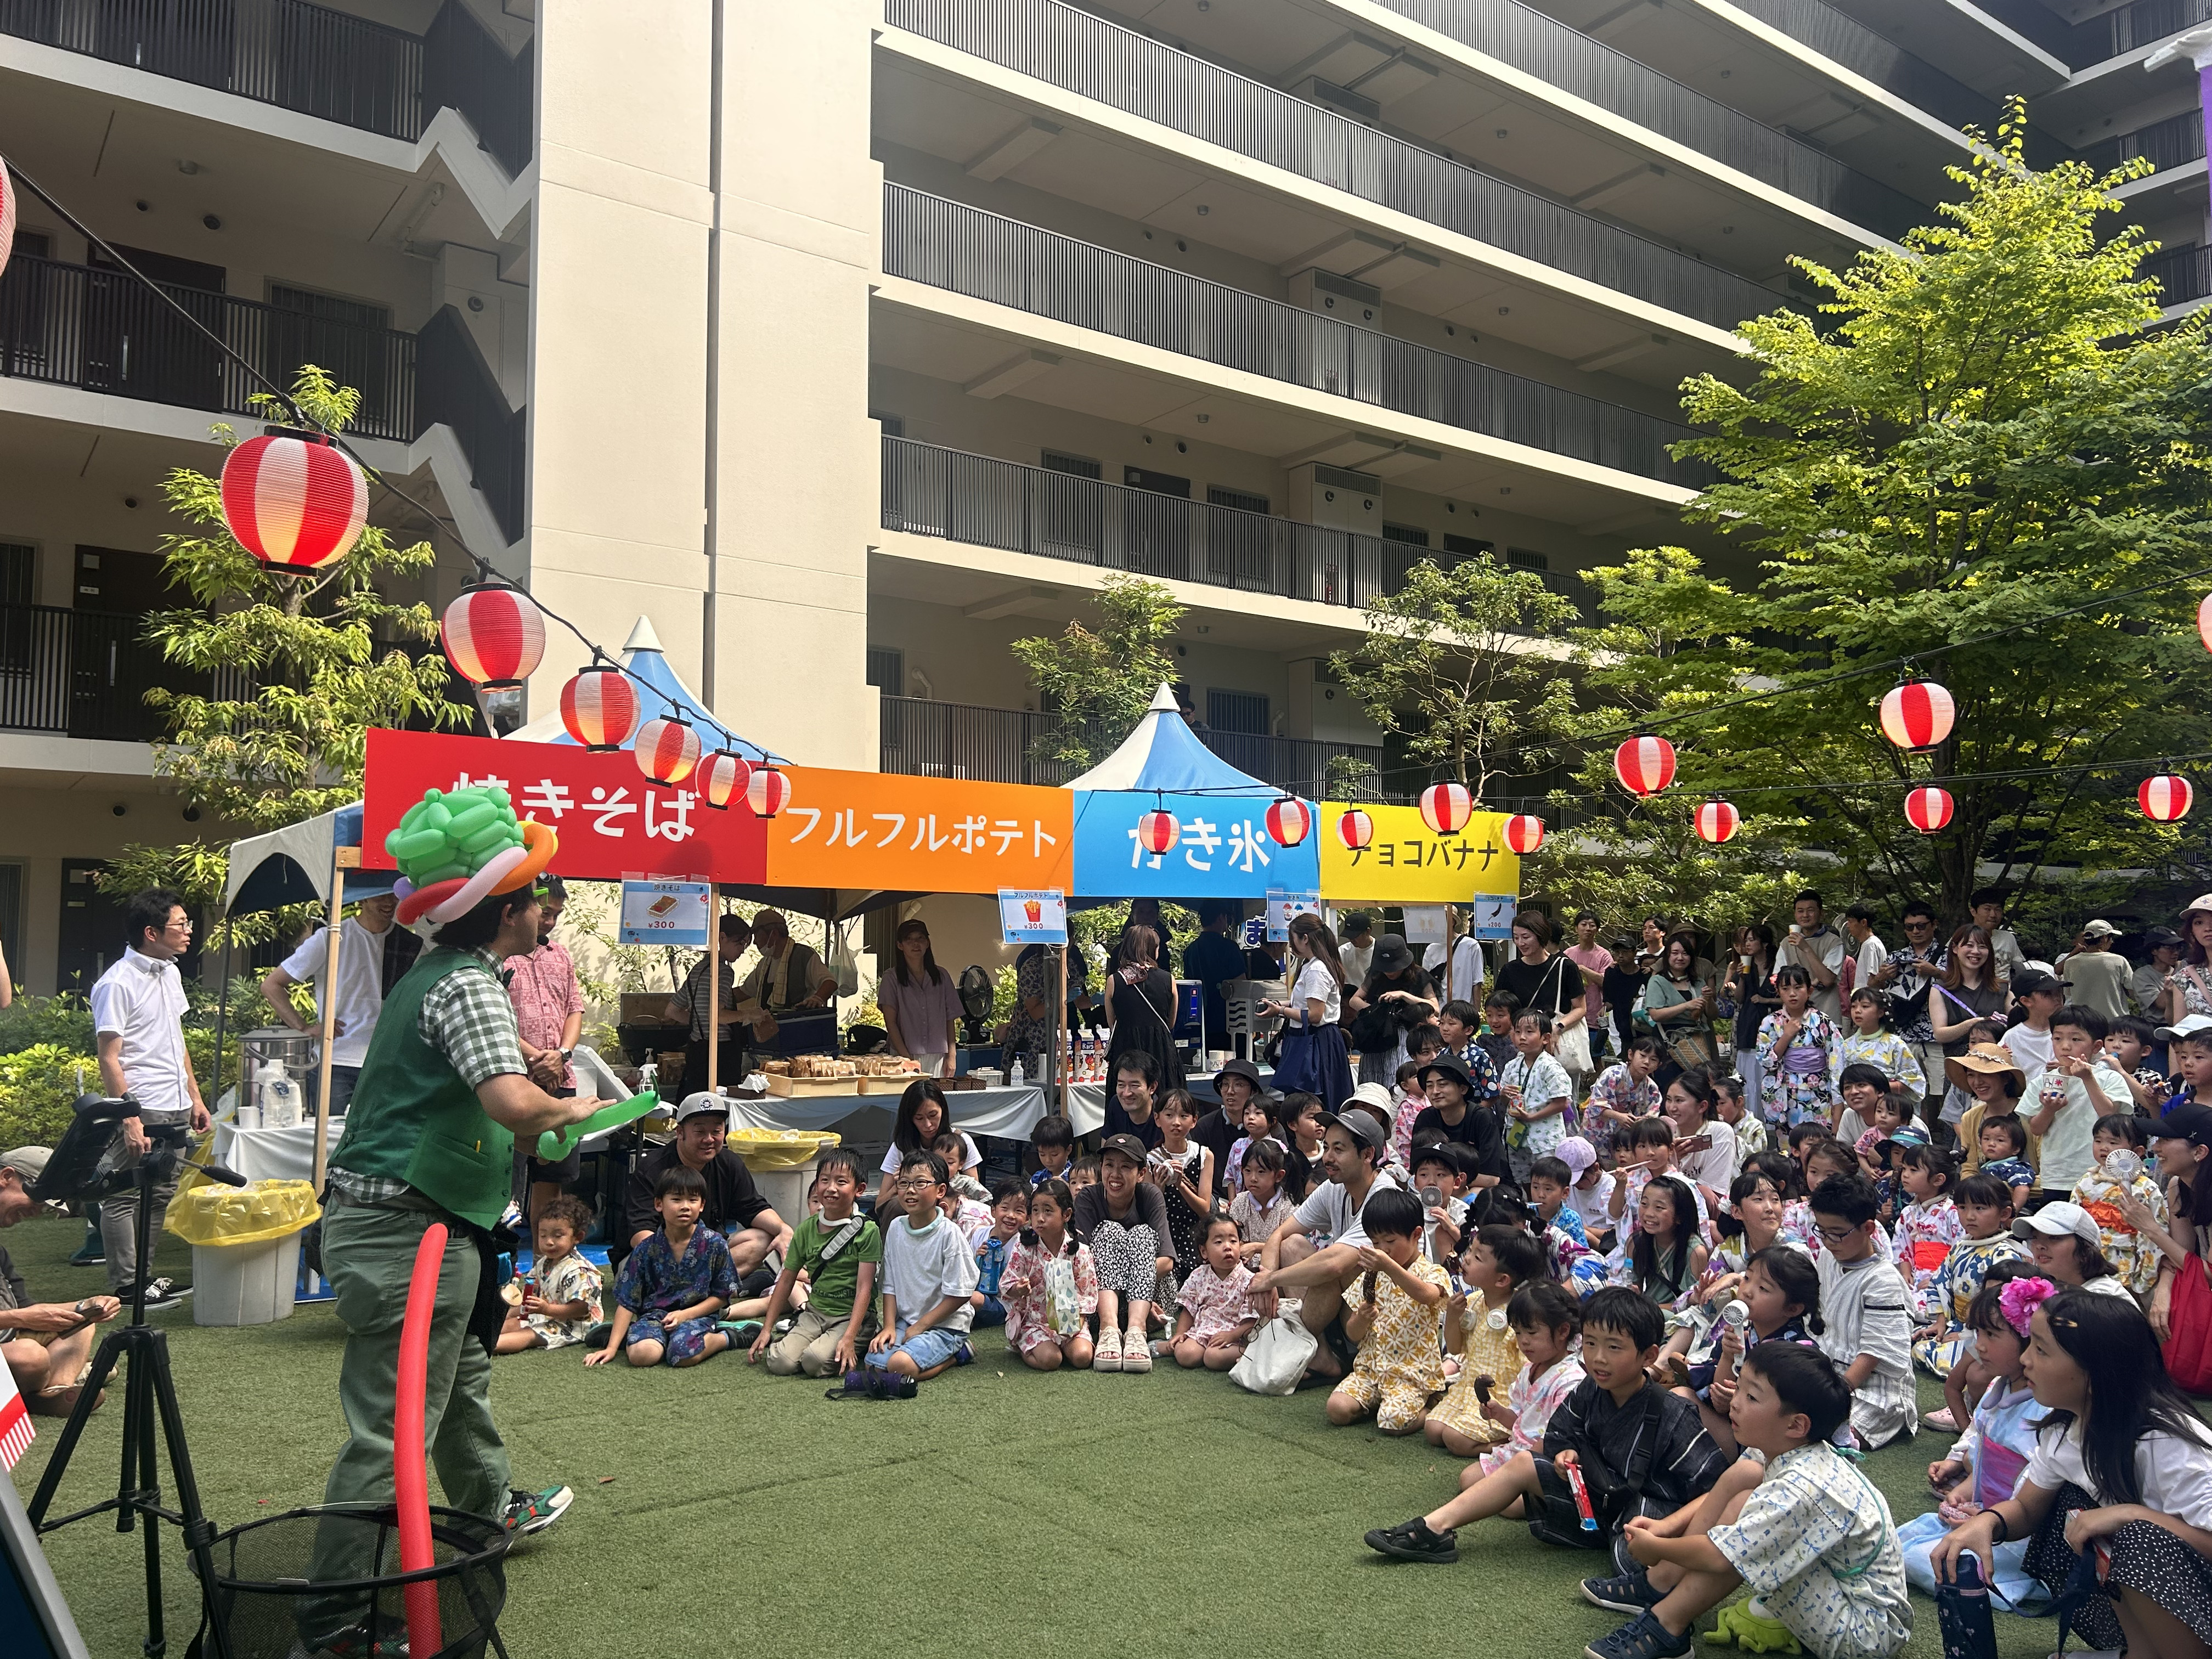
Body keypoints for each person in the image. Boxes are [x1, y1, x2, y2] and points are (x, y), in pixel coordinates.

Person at [314, 862, 600, 1577]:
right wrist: (574, 1108)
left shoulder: (440, 973)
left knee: (461, 1375)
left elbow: (476, 1108)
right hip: (405, 1230)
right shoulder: (470, 984)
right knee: (392, 1427)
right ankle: (339, 1610)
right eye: (534, 899)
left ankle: (489, 1506)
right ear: (506, 913)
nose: (545, 911)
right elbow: (513, 1106)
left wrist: (532, 1117)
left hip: (427, 1221)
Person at [1931, 1285, 2212, 1658]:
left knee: (2136, 1538)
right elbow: (2028, 1507)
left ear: (2096, 1372)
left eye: (2042, 1350)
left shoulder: (2166, 1442)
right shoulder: (2068, 1427)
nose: (2026, 1360)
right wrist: (1987, 1523)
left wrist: (2131, 1514)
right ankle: (2137, 1651)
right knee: (2071, 1509)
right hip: (2167, 1598)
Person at [1361, 1288, 1728, 1570]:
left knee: (1636, 1563)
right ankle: (1434, 1529)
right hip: (1594, 1505)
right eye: (1591, 1344)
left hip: (1645, 1518)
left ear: (1648, 1356)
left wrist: (1666, 1529)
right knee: (1523, 1462)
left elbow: (1717, 1490)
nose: (1598, 1358)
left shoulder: (1673, 1412)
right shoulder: (1591, 1389)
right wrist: (1566, 1454)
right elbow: (1560, 1436)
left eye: (1614, 1347)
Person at [1591, 1342, 1909, 1659]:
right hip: (1842, 1589)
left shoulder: (1800, 1490)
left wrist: (1658, 1548)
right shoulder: (1792, 1448)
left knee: (1749, 1541)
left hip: (1863, 1633)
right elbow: (1728, 1494)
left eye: (1752, 1397)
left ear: (1796, 1425)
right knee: (1745, 1482)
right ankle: (1662, 1581)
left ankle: (1667, 1626)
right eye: (1739, 1387)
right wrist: (1665, 1527)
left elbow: (1721, 1556)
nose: (1735, 1403)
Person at [90, 888, 212, 1307]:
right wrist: (129, 1119)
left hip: (175, 1100)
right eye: (181, 924)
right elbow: (109, 1057)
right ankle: (127, 1286)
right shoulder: (117, 983)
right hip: (142, 1103)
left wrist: (195, 1098)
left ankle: (144, 1279)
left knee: (160, 1192)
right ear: (151, 932)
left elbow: (176, 1041)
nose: (189, 931)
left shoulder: (170, 973)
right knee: (124, 1194)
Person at [1900, 1271, 2050, 1609]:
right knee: (1901, 1538)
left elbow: (2035, 1494)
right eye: (1978, 1333)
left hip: (2017, 1534)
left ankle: (2023, 1580)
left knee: (1921, 1560)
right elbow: (1981, 1452)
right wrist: (1964, 1492)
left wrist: (1987, 1518)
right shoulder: (1997, 1389)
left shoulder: (2045, 1410)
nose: (1979, 1344)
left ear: (2031, 1341)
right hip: (1983, 1513)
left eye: (1992, 1335)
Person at [1250, 1110, 1402, 1381]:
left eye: (1339, 1150)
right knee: (1293, 1245)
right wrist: (1266, 1277)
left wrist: (1271, 1279)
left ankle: (1298, 1345)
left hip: (1387, 1316)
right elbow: (1280, 1234)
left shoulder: (1385, 1196)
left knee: (1339, 1267)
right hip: (1350, 1308)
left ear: (1367, 1155)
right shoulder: (1335, 1187)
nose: (1327, 1158)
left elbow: (1334, 1264)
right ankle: (1318, 1352)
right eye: (1327, 1147)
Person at [263, 888, 414, 1116]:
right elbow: (272, 985)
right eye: (379, 895)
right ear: (363, 898)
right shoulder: (331, 938)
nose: (389, 902)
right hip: (336, 1061)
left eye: (392, 894)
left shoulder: (411, 943)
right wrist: (304, 1027)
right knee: (331, 1135)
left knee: (380, 1135)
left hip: (386, 1062)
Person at [0, 1147, 119, 1417]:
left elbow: (25, 1308)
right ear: (6, 1177)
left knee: (81, 1322)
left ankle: (57, 1390)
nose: (37, 1212)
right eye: (38, 1199)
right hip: (17, 1347)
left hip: (10, 1338)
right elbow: (23, 1315)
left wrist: (87, 1306)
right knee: (29, 1356)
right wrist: (19, 1318)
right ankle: (41, 1387)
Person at [622, 1094, 791, 1278]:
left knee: (763, 1239)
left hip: (706, 1251)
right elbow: (640, 1232)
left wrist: (783, 1229)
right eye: (700, 1132)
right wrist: (673, 1260)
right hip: (659, 1253)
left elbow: (753, 1207)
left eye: (717, 1131)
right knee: (644, 1269)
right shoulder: (652, 1168)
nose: (709, 1139)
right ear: (680, 1132)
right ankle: (708, 1285)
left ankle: (700, 1285)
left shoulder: (729, 1163)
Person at [586, 1166, 740, 1369]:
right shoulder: (646, 1248)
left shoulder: (715, 1243)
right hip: (654, 1316)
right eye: (676, 1199)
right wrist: (611, 1348)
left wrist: (685, 1315)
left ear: (702, 1205)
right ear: (659, 1204)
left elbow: (722, 1295)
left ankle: (728, 1337)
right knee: (643, 1356)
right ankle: (627, 1337)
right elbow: (628, 1301)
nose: (685, 1207)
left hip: (698, 1316)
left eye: (693, 1200)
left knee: (682, 1355)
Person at [1324, 1188, 1450, 1434]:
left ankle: (1428, 1407)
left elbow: (1427, 1295)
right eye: (1375, 1242)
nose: (1382, 1249)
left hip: (1411, 1375)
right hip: (1370, 1370)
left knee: (1392, 1423)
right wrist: (1361, 1319)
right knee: (1337, 1409)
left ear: (1416, 1235)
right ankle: (1379, 1404)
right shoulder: (1372, 1275)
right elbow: (1353, 1334)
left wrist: (1389, 1266)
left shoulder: (1432, 1272)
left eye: (1390, 1242)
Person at [748, 1148, 881, 1378]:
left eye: (841, 1182)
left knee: (814, 1362)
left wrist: (849, 1337)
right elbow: (786, 1280)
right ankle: (816, 1343)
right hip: (815, 1312)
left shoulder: (867, 1231)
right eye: (824, 1180)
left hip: (850, 1317)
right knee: (780, 1363)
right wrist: (766, 1329)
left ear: (859, 1189)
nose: (831, 1188)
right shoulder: (805, 1230)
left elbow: (865, 1288)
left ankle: (863, 1335)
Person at [502, 874, 586, 1233]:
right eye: (545, 912)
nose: (549, 921)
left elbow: (575, 1009)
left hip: (560, 1079)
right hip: (514, 1081)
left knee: (553, 1175)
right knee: (508, 1175)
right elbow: (498, 1020)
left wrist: (562, 1055)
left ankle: (547, 1258)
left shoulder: (560, 954)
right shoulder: (502, 956)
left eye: (556, 915)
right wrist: (537, 1058)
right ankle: (504, 1258)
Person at [1810, 1173, 1915, 1450]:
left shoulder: (1882, 1280)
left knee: (1823, 1436)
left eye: (1837, 1233)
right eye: (1822, 1231)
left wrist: (1835, 1395)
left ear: (1868, 1228)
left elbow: (1874, 1352)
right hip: (1829, 1373)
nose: (1828, 1241)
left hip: (1875, 1388)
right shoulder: (1827, 1257)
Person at [1425, 1223, 1545, 1455]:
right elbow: (1455, 1348)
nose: (1467, 1259)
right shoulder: (1473, 1301)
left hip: (1500, 1400)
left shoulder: (1520, 1314)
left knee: (1455, 1439)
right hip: (1467, 1391)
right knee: (1433, 1430)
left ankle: (1507, 1444)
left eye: (1477, 1257)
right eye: (1470, 1250)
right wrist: (1453, 1316)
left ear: (1502, 1280)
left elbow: (1529, 1367)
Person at [864, 1150, 980, 1384]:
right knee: (873, 1365)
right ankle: (913, 1351)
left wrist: (921, 1326)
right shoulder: (896, 1227)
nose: (910, 1190)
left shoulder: (949, 1234)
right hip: (907, 1322)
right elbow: (889, 1284)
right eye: (904, 1183)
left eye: (920, 1183)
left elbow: (962, 1293)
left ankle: (958, 1355)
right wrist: (889, 1327)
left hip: (946, 1326)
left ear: (940, 1191)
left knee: (899, 1366)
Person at [1073, 1133, 1173, 1373]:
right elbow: (1082, 1262)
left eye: (1126, 1167)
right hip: (1101, 1302)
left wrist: (1135, 1283)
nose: (1115, 1174)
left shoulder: (1150, 1195)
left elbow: (1167, 1262)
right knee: (1109, 1230)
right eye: (1109, 1165)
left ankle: (1137, 1331)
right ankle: (1109, 1330)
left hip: (1152, 1301)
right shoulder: (1088, 1197)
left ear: (1141, 1173)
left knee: (1141, 1233)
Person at [1471, 1280, 1586, 1477]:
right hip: (1517, 1452)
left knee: (1475, 1482)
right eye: (1518, 1332)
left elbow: (1555, 1437)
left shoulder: (1571, 1381)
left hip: (1542, 1462)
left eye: (1532, 1332)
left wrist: (1516, 1470)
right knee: (1468, 1478)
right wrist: (1498, 1413)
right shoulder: (1529, 1370)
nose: (1523, 1341)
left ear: (1563, 1331)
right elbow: (1519, 1421)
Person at [2025, 1002, 2128, 1206]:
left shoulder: (2109, 1078)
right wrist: (2049, 1110)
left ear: (2096, 1046)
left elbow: (2110, 1117)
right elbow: (2035, 1129)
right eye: (2057, 1038)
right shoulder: (2042, 1081)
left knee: (2101, 1221)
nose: (2065, 1046)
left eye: (2075, 1039)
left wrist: (2088, 1078)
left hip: (2101, 1171)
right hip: (2057, 1174)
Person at [998, 1178, 1097, 1372]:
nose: (1040, 1218)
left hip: (1071, 1321)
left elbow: (1088, 1294)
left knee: (1083, 1357)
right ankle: (1024, 1347)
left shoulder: (1080, 1252)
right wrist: (1018, 1289)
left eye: (1048, 1211)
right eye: (1035, 1211)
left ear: (1066, 1215)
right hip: (1035, 1322)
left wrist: (1074, 1326)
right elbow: (1007, 1284)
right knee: (1051, 1360)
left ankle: (1063, 1346)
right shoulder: (1025, 1248)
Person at [494, 1194, 602, 1355]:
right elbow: (530, 1295)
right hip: (543, 1316)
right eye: (543, 1235)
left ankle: (488, 1347)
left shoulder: (580, 1270)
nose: (549, 1242)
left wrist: (547, 1309)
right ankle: (480, 1341)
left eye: (558, 1236)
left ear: (577, 1237)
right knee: (504, 1325)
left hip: (571, 1325)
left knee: (529, 1334)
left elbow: (581, 1309)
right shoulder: (544, 1263)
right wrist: (510, 1314)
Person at [1265, 912, 1352, 1109]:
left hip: (1315, 1041)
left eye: (1292, 939)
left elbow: (1314, 1015)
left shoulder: (1316, 969)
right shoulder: (1313, 965)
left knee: (1310, 1103)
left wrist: (1280, 1011)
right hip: (1317, 1040)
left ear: (1305, 939)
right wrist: (1280, 1005)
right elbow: (1305, 1004)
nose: (1290, 945)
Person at [1491, 911, 1585, 1082]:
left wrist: (1557, 1029)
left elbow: (1581, 1008)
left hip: (1556, 1044)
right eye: (1516, 937)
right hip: (1520, 1046)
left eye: (1526, 937)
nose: (1520, 943)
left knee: (1561, 1092)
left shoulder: (1566, 967)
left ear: (1541, 935)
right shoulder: (1510, 971)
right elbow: (1499, 1008)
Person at [1347, 932, 1440, 1087]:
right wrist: (1377, 1011)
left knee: (1396, 1078)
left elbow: (1434, 1008)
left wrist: (1404, 996)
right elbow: (1354, 1000)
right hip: (1377, 1034)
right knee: (1373, 1082)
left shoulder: (1419, 975)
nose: (1389, 972)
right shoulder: (1376, 974)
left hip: (1404, 1035)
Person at [1756, 965, 1841, 1131]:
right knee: (1790, 1143)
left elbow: (1838, 1058)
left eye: (1798, 987)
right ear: (1778, 992)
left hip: (1820, 1091)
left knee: (1820, 1141)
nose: (1792, 993)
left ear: (1809, 991)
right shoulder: (1770, 1022)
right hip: (1787, 1094)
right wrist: (1786, 1036)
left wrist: (1837, 1100)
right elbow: (1765, 1060)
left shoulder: (1822, 1021)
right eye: (1785, 989)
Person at [1169, 1214, 1258, 1371]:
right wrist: (1181, 1333)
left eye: (1233, 1241)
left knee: (1214, 1358)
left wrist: (1232, 1336)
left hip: (1235, 1337)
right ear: (1204, 1251)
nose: (1228, 1247)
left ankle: (1253, 1354)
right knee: (1185, 1354)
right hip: (1203, 1331)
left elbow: (1251, 1323)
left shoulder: (1249, 1280)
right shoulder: (1198, 1275)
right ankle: (1168, 1347)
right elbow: (1189, 1309)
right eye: (1219, 1242)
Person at [877, 918, 962, 1080]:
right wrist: (906, 1059)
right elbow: (891, 1022)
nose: (915, 944)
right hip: (903, 1054)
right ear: (900, 945)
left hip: (938, 1055)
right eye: (909, 939)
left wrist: (952, 1056)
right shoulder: (892, 978)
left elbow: (949, 1018)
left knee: (934, 1095)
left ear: (928, 943)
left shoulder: (942, 976)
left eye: (920, 938)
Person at [1101, 923, 1182, 1093]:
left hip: (1126, 1048)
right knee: (1164, 1099)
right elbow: (1171, 1023)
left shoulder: (1114, 981)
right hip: (1161, 1050)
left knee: (1126, 1097)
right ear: (1153, 950)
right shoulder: (1169, 979)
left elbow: (1112, 1023)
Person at [738, 910, 837, 1048]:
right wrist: (716, 998)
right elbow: (743, 992)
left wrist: (817, 998)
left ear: (774, 934)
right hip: (771, 1040)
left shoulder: (803, 956)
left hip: (799, 1037)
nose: (755, 942)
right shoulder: (765, 964)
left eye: (757, 935)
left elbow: (830, 982)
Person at [1501, 1009, 1575, 1185]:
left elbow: (1562, 1103)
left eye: (1529, 1032)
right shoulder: (1512, 1066)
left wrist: (1531, 1117)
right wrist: (1504, 1095)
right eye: (1517, 1031)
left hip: (1544, 1138)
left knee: (1548, 1180)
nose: (1522, 1037)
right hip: (1516, 1134)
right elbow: (1505, 1101)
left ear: (1546, 1038)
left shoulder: (1551, 1067)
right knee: (1524, 1181)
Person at [1410, 1053, 1506, 1187]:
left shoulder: (1482, 1118)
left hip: (1482, 1189)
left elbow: (1492, 1179)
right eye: (1430, 1086)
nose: (1435, 1091)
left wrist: (1447, 1181)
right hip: (1437, 1189)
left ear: (1463, 1089)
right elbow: (1418, 1170)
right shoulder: (1426, 1118)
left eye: (1443, 1084)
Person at [877, 1077, 982, 1195]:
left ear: (943, 1110)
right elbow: (880, 1203)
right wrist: (899, 1185)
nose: (928, 1125)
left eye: (933, 1115)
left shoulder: (961, 1141)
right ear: (910, 1119)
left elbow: (977, 1196)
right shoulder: (901, 1146)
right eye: (919, 1118)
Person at [2009, 1201, 2134, 1297]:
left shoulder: (2101, 1297)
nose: (2039, 1245)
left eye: (2055, 1237)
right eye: (2034, 1237)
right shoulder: (2059, 1288)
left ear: (2085, 1250)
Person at [1639, 933, 1716, 1084]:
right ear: (1667, 956)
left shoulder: (1698, 982)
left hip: (1694, 1041)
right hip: (1668, 1042)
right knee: (1670, 1086)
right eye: (1675, 953)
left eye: (1685, 953)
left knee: (1698, 1086)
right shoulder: (1658, 981)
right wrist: (1687, 1005)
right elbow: (1655, 1015)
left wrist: (1709, 999)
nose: (1680, 957)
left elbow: (1713, 1015)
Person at [1724, 926, 1780, 1109]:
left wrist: (1766, 1000)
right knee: (1748, 1076)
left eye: (1752, 940)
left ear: (1765, 943)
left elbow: (1787, 997)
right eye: (1746, 940)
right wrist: (1741, 977)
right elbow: (1740, 998)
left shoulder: (1778, 965)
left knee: (1768, 1072)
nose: (1747, 944)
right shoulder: (1746, 965)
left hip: (1772, 1024)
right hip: (1748, 1023)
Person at [1183, 901, 1249, 1052]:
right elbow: (1241, 984)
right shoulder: (1229, 948)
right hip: (1229, 1021)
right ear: (1221, 918)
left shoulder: (1190, 950)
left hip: (1200, 1020)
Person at [1776, 890, 1847, 1022]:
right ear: (1795, 914)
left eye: (1810, 911)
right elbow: (1778, 978)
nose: (1805, 915)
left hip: (1827, 1018)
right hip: (1793, 1018)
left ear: (1821, 913)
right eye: (1800, 911)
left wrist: (1806, 948)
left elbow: (1827, 980)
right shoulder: (1786, 943)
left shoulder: (1834, 942)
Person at [2062, 919, 2136, 1022]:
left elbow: (2069, 994)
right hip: (2114, 1024)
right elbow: (2133, 992)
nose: (2112, 941)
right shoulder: (2118, 961)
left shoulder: (2070, 963)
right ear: (2104, 938)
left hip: (2083, 1023)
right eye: (2111, 938)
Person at [1563, 912, 1613, 1059]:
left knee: (1596, 1060)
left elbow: (1607, 983)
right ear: (1576, 928)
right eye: (1584, 925)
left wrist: (1583, 969)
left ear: (1597, 930)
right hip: (1570, 1017)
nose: (1588, 929)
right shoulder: (1568, 954)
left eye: (1592, 925)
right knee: (1571, 1060)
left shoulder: (1604, 955)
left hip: (1594, 1017)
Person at [1425, 906, 1487, 1011]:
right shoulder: (1431, 949)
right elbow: (1426, 984)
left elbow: (1477, 982)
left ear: (1452, 921)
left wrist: (1476, 1012)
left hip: (1464, 1010)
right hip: (1440, 1011)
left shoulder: (1471, 946)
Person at [1969, 887, 2030, 983]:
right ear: (1973, 911)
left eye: (1998, 910)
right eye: (1987, 909)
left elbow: (2019, 967)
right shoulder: (1962, 938)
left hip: (2005, 991)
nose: (1993, 915)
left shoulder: (2008, 938)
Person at [2135, 925, 2185, 1033]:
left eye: (2178, 948)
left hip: (2181, 1026)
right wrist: (2178, 973)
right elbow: (2161, 1004)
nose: (2176, 953)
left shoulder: (2181, 972)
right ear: (2154, 951)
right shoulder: (2142, 975)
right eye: (2170, 948)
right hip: (2155, 1029)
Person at [1841, 902, 1887, 1002]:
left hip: (1869, 1002)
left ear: (1863, 922)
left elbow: (1873, 981)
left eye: (1850, 921)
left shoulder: (1871, 945)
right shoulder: (1868, 944)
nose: (1848, 926)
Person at [1339, 911, 1376, 985]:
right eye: (1349, 936)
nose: (1351, 939)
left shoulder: (1379, 950)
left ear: (1368, 931)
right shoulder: (1343, 951)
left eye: (1355, 936)